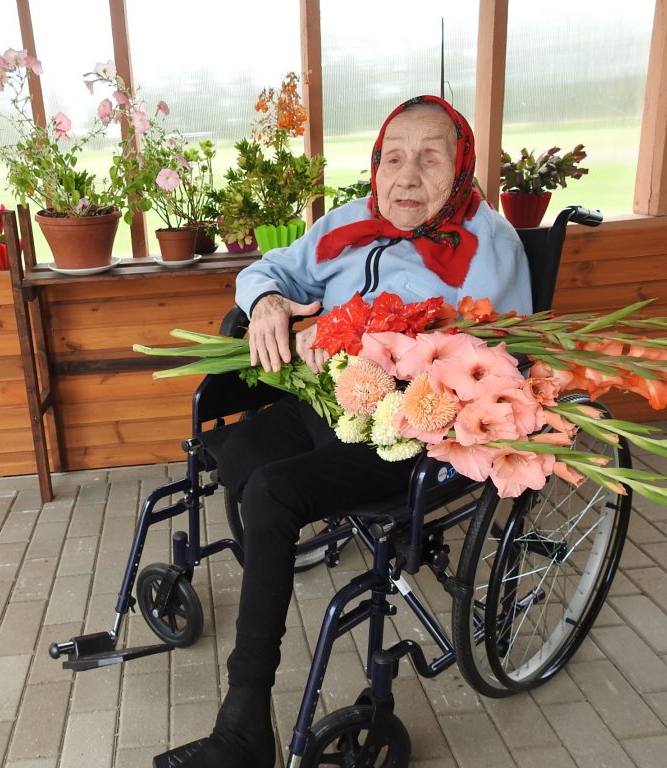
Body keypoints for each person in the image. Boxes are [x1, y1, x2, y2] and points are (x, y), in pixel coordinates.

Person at [153, 95, 531, 768]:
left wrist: (363, 344)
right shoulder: (347, 222)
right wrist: (270, 303)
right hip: (327, 402)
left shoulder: (487, 246)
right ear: (375, 164)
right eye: (394, 158)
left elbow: (492, 362)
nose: (406, 177)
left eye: (430, 159)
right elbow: (265, 269)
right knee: (237, 454)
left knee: (271, 493)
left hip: (408, 428)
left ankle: (244, 729)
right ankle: (273, 567)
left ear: (462, 168)